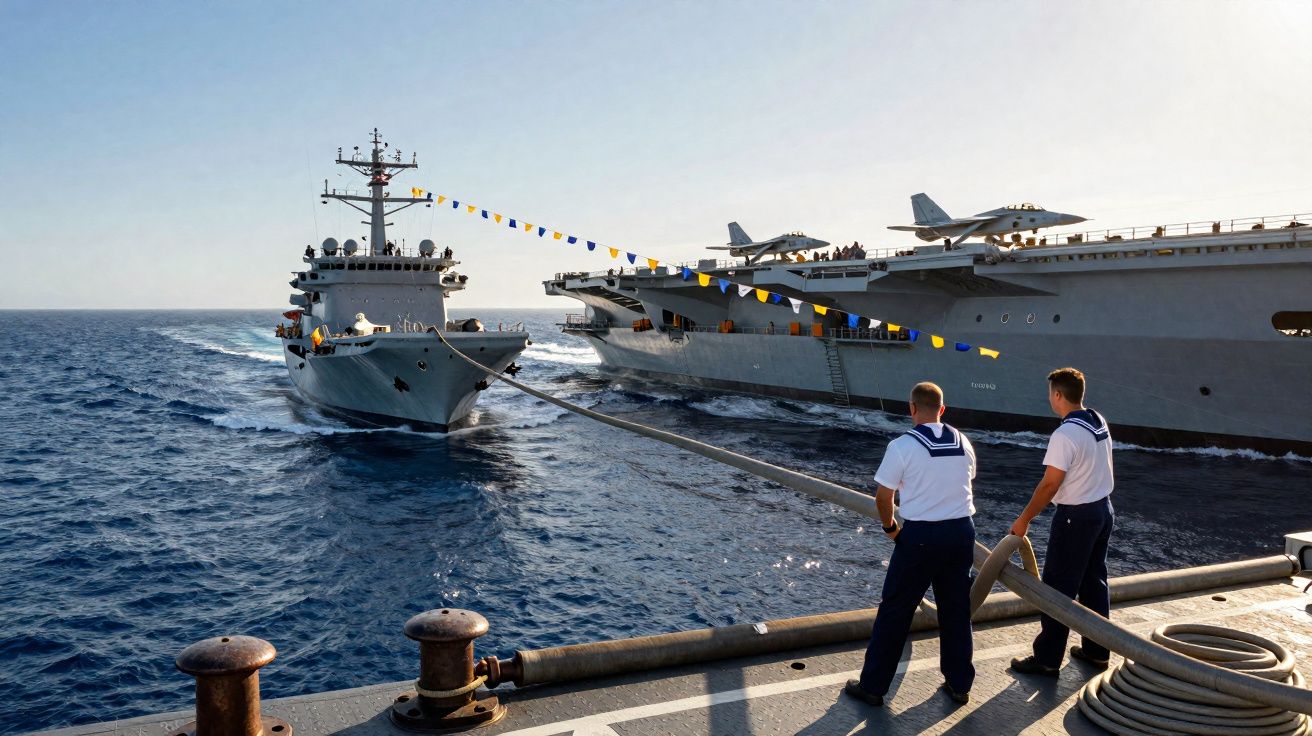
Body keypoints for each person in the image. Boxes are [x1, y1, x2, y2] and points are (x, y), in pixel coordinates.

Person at [845, 382, 977, 708]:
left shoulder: (902, 445)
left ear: (912, 408)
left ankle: (873, 687)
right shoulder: (964, 441)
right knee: (956, 610)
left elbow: (883, 497)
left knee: (896, 610)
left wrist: (891, 528)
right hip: (962, 533)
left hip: (921, 537)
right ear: (942, 409)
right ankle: (959, 684)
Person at [1009, 367, 1115, 676]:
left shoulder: (1064, 434)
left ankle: (1047, 658)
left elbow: (1050, 485)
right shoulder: (1097, 420)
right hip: (1103, 510)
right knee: (1094, 583)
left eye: (1050, 394)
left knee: (1057, 587)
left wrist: (1024, 519)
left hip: (1075, 518)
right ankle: (1097, 651)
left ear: (1057, 395)